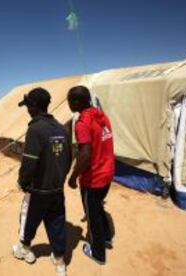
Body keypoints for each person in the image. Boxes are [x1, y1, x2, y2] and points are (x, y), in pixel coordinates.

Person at [12, 88, 71, 276]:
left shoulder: (35, 129)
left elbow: (29, 162)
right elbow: (69, 159)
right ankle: (60, 260)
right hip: (56, 189)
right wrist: (59, 179)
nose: (27, 109)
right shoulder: (62, 128)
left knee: (28, 219)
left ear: (34, 106)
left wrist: (23, 182)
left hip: (38, 190)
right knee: (57, 221)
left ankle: (25, 250)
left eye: (28, 105)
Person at [67, 85, 115, 265]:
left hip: (93, 178)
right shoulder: (102, 117)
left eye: (70, 101)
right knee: (98, 208)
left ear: (78, 101)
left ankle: (98, 253)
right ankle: (107, 237)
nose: (69, 104)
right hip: (108, 172)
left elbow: (85, 154)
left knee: (92, 214)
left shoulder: (82, 123)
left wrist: (72, 177)